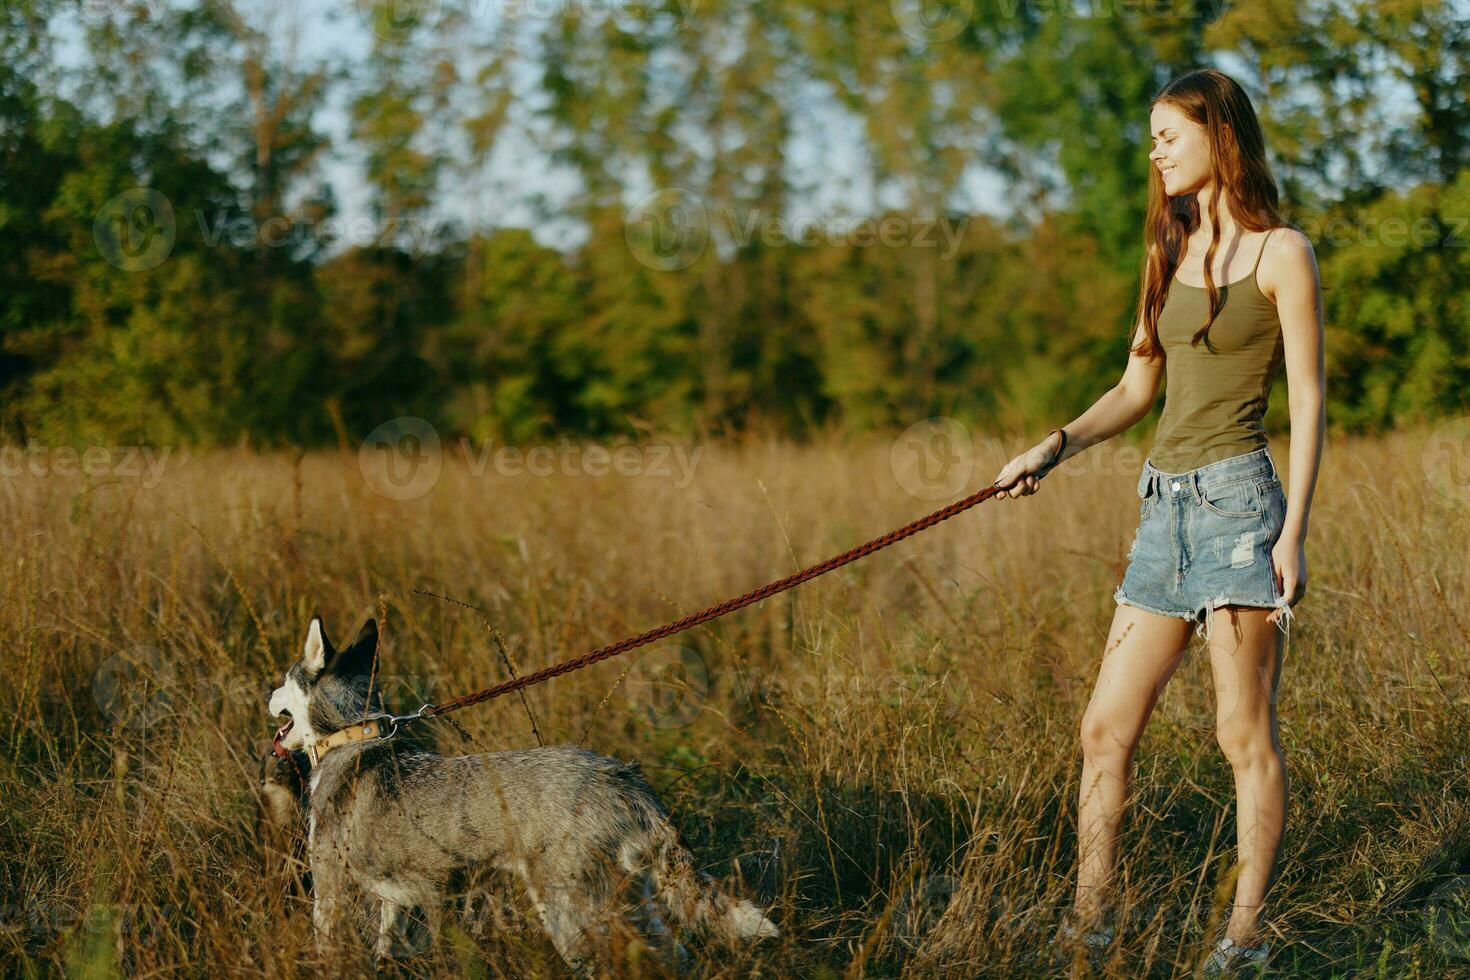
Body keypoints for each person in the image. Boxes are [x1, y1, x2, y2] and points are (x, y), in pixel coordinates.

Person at [992, 68, 1325, 976]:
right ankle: (1090, 925)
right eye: (1152, 137)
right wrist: (1052, 446)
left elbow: (1309, 397)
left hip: (1240, 510)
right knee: (1104, 728)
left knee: (1241, 734)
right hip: (1161, 516)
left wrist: (1291, 532)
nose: (1155, 152)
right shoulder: (1166, 252)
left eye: (1169, 135)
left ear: (1220, 138)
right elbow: (1136, 388)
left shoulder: (1280, 253)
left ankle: (1243, 940)